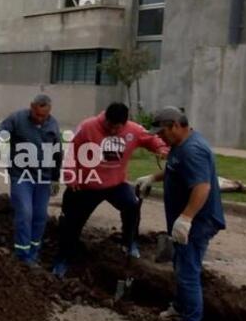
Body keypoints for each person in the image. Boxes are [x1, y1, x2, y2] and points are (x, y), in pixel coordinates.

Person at [53, 102, 168, 277]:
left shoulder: (134, 130)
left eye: (118, 128)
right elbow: (71, 151)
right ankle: (63, 259)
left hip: (115, 184)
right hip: (87, 184)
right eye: (110, 126)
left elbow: (152, 140)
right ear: (105, 118)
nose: (113, 131)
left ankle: (129, 242)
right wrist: (70, 174)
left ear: (125, 123)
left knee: (132, 206)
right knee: (71, 224)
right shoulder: (88, 127)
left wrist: (161, 149)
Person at [135, 107, 225, 321]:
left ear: (175, 125)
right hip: (187, 219)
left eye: (162, 132)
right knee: (180, 264)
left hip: (198, 221)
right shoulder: (180, 145)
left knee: (187, 271)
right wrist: (153, 177)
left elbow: (202, 187)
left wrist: (186, 218)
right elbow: (176, 169)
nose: (159, 137)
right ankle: (181, 307)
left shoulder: (193, 150)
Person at [0, 94, 62, 264]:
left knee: (39, 216)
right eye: (37, 114)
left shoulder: (52, 124)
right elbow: (1, 130)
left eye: (44, 116)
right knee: (25, 212)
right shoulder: (17, 118)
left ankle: (33, 252)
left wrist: (55, 177)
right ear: (31, 107)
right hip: (21, 175)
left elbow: (57, 152)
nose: (40, 119)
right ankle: (22, 255)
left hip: (43, 177)